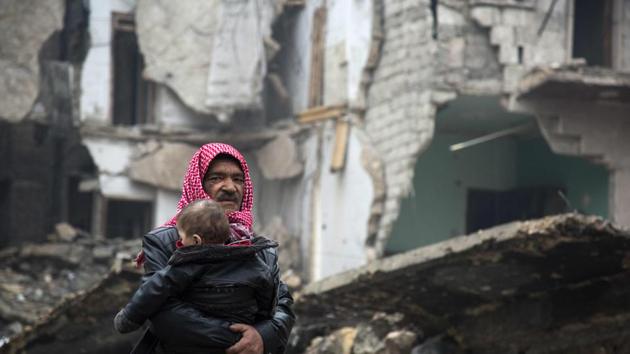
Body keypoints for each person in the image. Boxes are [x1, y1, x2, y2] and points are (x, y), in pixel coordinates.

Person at [130, 143, 295, 354]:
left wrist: (263, 336)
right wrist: (240, 339)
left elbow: (282, 304)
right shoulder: (165, 241)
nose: (230, 187)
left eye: (238, 179)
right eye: (216, 178)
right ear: (196, 184)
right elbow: (161, 310)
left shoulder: (260, 248)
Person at [113, 199, 279, 344]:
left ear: (196, 241)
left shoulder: (186, 265)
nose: (179, 242)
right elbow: (268, 297)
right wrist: (260, 327)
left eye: (181, 237)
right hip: (241, 337)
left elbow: (154, 289)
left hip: (195, 344)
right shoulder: (252, 260)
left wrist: (128, 318)